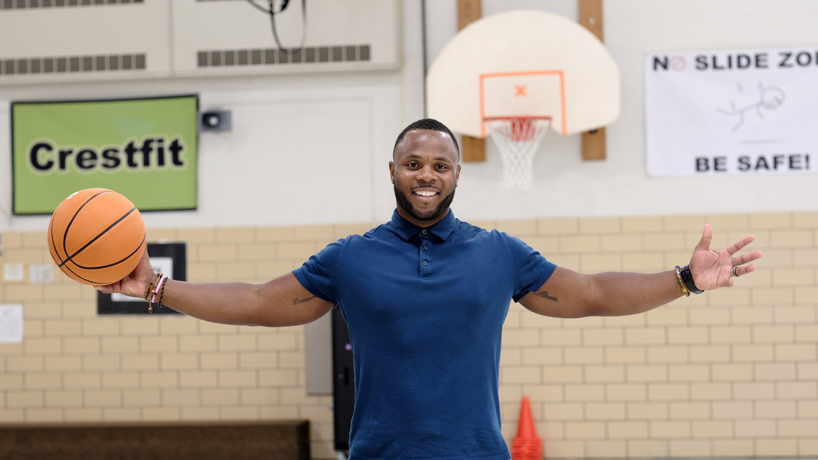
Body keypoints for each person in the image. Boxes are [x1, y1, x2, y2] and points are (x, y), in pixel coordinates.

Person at [98, 118, 763, 460]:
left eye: (440, 165)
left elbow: (588, 291)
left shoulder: (497, 254)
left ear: (455, 173)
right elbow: (258, 302)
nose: (426, 175)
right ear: (393, 169)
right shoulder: (350, 259)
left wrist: (683, 280)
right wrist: (157, 286)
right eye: (413, 163)